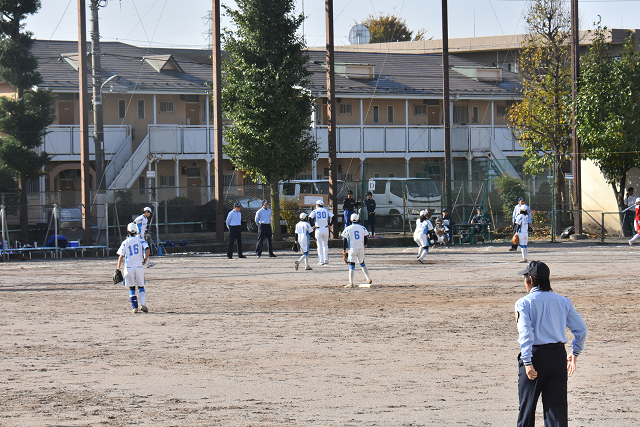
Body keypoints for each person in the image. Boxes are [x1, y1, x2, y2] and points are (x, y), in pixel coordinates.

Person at [515, 261, 587, 427]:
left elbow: (525, 334)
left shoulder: (524, 303)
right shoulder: (563, 301)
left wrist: (527, 361)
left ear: (531, 280)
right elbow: (581, 329)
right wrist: (575, 353)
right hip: (557, 357)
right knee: (557, 413)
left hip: (535, 356)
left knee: (527, 409)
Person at [117, 222, 150, 313]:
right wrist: (145, 260)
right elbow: (147, 250)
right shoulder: (140, 240)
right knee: (141, 286)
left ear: (128, 231)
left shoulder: (125, 242)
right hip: (139, 267)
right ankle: (143, 304)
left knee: (131, 288)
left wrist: (118, 269)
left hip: (129, 267)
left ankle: (134, 307)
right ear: (137, 231)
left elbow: (121, 256)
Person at [341, 213, 372, 288]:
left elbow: (344, 240)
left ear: (351, 220)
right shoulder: (362, 227)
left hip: (352, 248)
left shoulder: (348, 228)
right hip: (361, 248)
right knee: (362, 263)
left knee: (352, 264)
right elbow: (366, 237)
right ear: (358, 219)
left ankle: (351, 283)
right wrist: (365, 245)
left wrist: (344, 250)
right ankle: (368, 278)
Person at [309, 199, 334, 265]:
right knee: (325, 245)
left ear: (317, 205)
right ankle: (326, 259)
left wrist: (312, 226)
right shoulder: (327, 210)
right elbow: (333, 217)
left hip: (318, 229)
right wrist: (330, 225)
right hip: (326, 229)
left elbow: (309, 218)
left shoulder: (315, 211)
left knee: (319, 246)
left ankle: (321, 260)